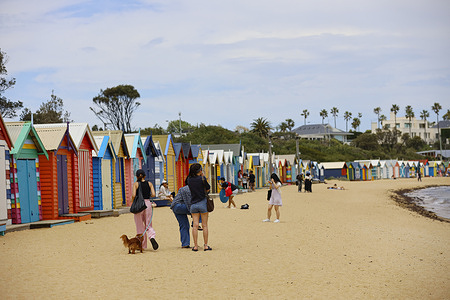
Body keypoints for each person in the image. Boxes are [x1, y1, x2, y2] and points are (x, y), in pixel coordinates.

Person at [186, 163, 212, 252]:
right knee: (204, 225)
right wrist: (203, 177)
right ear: (200, 171)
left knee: (195, 225)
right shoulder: (202, 179)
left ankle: (195, 246)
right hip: (202, 203)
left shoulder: (189, 179)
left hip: (193, 204)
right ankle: (205, 245)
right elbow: (208, 188)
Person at [132, 169, 158, 250]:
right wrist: (148, 195)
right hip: (147, 203)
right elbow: (153, 194)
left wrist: (133, 202)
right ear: (144, 176)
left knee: (139, 224)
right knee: (148, 224)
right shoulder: (149, 183)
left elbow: (133, 195)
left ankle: (142, 245)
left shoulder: (136, 184)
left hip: (139, 204)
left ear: (136, 176)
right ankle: (152, 237)